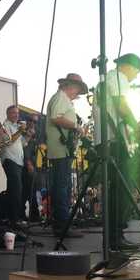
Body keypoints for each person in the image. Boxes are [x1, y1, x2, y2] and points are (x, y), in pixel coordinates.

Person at [93, 53, 140, 251]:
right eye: (136, 72)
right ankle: (116, 236)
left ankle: (114, 237)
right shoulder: (118, 78)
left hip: (105, 139)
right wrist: (135, 125)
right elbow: (120, 105)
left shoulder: (107, 79)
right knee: (122, 188)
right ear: (128, 66)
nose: (135, 77)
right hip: (113, 139)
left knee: (116, 188)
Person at [46, 73, 88, 238]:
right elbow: (57, 118)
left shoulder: (62, 99)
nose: (77, 94)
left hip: (62, 149)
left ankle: (61, 223)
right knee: (62, 187)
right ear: (69, 86)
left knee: (62, 186)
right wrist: (76, 127)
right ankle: (62, 225)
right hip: (60, 149)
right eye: (77, 90)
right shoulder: (60, 98)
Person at [0, 105, 26, 225]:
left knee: (14, 189)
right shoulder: (4, 126)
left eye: (17, 113)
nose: (16, 115)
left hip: (18, 161)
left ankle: (12, 218)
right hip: (9, 160)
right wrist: (20, 131)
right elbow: (8, 141)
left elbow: (23, 143)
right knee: (16, 189)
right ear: (7, 114)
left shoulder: (15, 126)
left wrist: (28, 134)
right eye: (13, 113)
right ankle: (14, 219)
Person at [22, 115, 41, 222]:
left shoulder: (35, 135)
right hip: (26, 166)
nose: (33, 123)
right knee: (27, 191)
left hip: (33, 165)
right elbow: (25, 149)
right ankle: (31, 215)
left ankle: (34, 215)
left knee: (31, 191)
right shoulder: (24, 132)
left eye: (35, 121)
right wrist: (28, 163)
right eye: (31, 120)